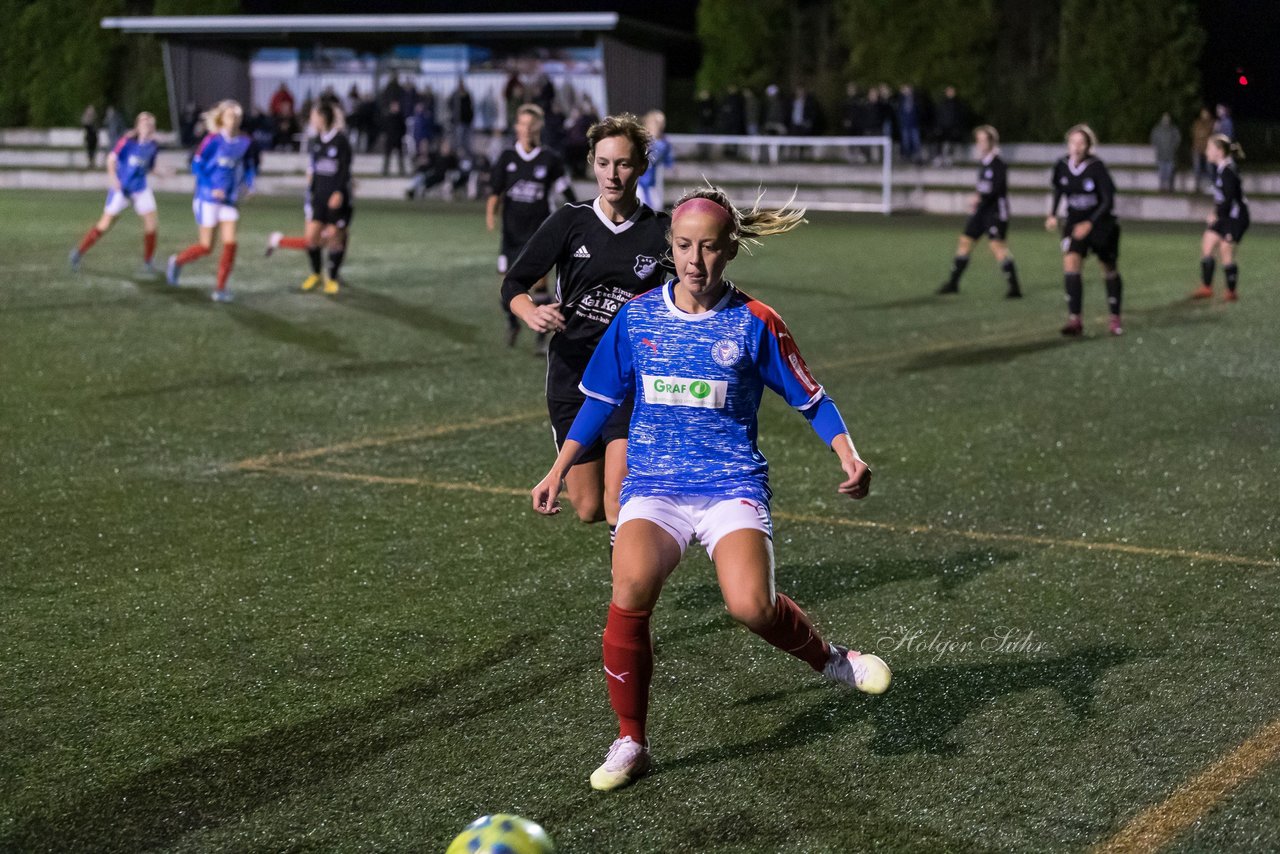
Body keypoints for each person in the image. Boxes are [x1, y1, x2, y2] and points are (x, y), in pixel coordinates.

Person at [530, 185, 889, 792]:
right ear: (670, 246)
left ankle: (830, 659)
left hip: (729, 486)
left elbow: (811, 398)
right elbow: (599, 400)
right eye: (684, 246)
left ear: (730, 251)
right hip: (654, 486)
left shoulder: (755, 322)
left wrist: (849, 455)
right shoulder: (638, 317)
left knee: (750, 606)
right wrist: (560, 467)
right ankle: (631, 739)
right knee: (630, 587)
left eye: (709, 248)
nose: (695, 261)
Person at [501, 113, 670, 549]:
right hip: (571, 373)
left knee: (616, 502)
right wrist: (529, 312)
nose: (612, 175)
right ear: (591, 163)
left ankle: (629, 608)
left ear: (642, 167)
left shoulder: (661, 233)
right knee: (589, 507)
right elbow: (513, 284)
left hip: (629, 379)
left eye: (624, 164)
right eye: (603, 163)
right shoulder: (569, 221)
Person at [486, 103, 575, 350]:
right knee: (507, 290)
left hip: (539, 234)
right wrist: (490, 214)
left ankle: (541, 336)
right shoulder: (507, 158)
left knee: (539, 285)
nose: (525, 129)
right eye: (521, 124)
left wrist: (581, 214)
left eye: (530, 125)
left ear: (538, 127)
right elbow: (495, 190)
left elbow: (565, 190)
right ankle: (512, 323)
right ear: (516, 127)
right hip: (511, 236)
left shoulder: (550, 159)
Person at [166, 100, 256, 303]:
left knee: (231, 243)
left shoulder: (245, 142)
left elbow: (250, 167)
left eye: (236, 117)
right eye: (229, 116)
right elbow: (196, 167)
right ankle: (177, 261)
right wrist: (212, 188)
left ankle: (220, 288)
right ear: (222, 119)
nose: (233, 120)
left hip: (230, 199)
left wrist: (250, 185)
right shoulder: (212, 141)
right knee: (206, 247)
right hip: (207, 198)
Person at [265, 101, 354, 295]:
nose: (311, 120)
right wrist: (311, 191)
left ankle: (331, 277)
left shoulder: (341, 141)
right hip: (318, 198)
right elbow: (313, 169)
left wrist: (339, 192)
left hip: (337, 199)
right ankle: (315, 274)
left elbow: (345, 170)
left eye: (314, 116)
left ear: (323, 117)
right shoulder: (314, 142)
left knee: (335, 240)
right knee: (312, 239)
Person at [1045, 124, 1124, 337]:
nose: (1077, 147)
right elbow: (1059, 190)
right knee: (1071, 262)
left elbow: (1107, 201)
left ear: (1089, 146)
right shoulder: (1061, 165)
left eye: (1081, 143)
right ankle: (1075, 320)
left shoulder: (1097, 167)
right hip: (1074, 221)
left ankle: (1115, 318)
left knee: (1108, 268)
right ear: (1068, 144)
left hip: (1100, 222)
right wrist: (1053, 214)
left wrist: (1090, 223)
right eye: (1073, 142)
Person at [69, 112, 161, 275]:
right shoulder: (127, 142)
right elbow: (111, 159)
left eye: (149, 122)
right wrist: (113, 178)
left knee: (152, 226)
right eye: (143, 121)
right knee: (104, 225)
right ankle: (78, 252)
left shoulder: (153, 146)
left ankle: (148, 262)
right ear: (137, 126)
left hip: (140, 189)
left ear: (152, 127)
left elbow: (150, 166)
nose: (146, 124)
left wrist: (162, 171)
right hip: (121, 188)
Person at [938, 125, 1021, 298]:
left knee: (997, 247)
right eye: (978, 140)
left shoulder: (998, 164)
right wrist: (977, 200)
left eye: (983, 140)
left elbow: (996, 189)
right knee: (965, 242)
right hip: (982, 211)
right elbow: (983, 188)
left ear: (991, 142)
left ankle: (1014, 288)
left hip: (995, 212)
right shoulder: (983, 163)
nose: (979, 144)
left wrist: (979, 198)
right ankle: (953, 283)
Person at [1191, 134, 1249, 302]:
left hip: (1236, 218)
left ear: (1219, 152)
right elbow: (1223, 198)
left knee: (1225, 250)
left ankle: (1231, 292)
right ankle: (1206, 287)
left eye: (1209, 148)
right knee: (1208, 241)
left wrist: (1215, 215)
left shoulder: (1228, 171)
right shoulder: (1221, 169)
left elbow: (1230, 198)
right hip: (1225, 216)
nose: (1206, 151)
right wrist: (1217, 212)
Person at [637, 110, 673, 211]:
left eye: (662, 123)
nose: (661, 126)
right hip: (640, 181)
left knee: (656, 207)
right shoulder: (642, 140)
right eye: (657, 123)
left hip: (654, 181)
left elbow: (667, 160)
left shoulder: (664, 141)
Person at [1150, 113, 1181, 193]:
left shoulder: (1173, 129)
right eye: (1164, 118)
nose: (1166, 120)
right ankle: (1162, 187)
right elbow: (1153, 139)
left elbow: (1178, 139)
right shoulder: (1157, 129)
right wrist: (1158, 147)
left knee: (1170, 172)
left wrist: (1173, 147)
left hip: (1170, 155)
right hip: (1161, 155)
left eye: (1167, 119)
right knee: (1161, 172)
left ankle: (1169, 187)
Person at [1190, 107, 1214, 193]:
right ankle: (1197, 186)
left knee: (1209, 167)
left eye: (1206, 113)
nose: (1204, 115)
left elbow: (1209, 133)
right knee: (1197, 168)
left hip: (1208, 148)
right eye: (1203, 113)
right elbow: (1195, 132)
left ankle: (1210, 185)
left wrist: (1203, 133)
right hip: (1197, 148)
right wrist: (1203, 133)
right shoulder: (1197, 122)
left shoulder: (1211, 122)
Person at [381, 100, 407, 176]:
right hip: (389, 139)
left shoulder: (400, 117)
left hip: (398, 139)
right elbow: (384, 127)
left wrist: (401, 135)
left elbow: (403, 128)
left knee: (400, 156)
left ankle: (402, 171)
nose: (395, 108)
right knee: (387, 156)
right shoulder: (387, 117)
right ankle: (385, 171)